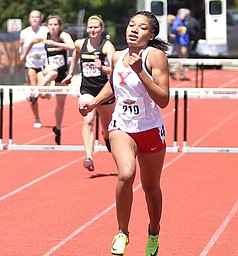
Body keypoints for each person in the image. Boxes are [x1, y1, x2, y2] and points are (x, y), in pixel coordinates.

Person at [79, 10, 169, 256]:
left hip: (150, 128)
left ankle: (153, 231)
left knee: (151, 187)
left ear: (151, 34)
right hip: (122, 126)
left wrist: (141, 71)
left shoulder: (155, 56)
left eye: (141, 27)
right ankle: (122, 232)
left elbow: (163, 100)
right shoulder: (119, 55)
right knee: (126, 173)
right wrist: (95, 102)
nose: (133, 29)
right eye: (131, 24)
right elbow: (113, 85)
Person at [61, 15, 115, 171]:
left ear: (102, 29)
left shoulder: (107, 47)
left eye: (96, 27)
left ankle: (106, 137)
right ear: (86, 29)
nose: (93, 30)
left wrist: (102, 68)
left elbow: (115, 70)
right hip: (87, 89)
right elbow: (75, 55)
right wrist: (70, 74)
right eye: (90, 27)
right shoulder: (80, 43)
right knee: (88, 121)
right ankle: (89, 157)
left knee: (107, 128)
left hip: (104, 91)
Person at [22, 14, 75, 144]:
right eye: (50, 25)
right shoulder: (44, 36)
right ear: (47, 26)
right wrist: (24, 55)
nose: (53, 27)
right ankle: (37, 92)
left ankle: (57, 127)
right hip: (48, 68)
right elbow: (32, 42)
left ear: (59, 26)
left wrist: (55, 43)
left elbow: (72, 46)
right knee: (52, 72)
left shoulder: (63, 35)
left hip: (63, 72)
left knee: (60, 104)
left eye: (55, 25)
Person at [19, 10, 49, 128]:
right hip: (30, 64)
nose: (35, 19)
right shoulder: (24, 32)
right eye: (32, 17)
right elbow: (21, 54)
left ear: (41, 19)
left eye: (37, 17)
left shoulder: (45, 31)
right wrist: (21, 46)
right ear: (29, 18)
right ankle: (37, 118)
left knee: (41, 93)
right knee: (33, 94)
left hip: (43, 65)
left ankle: (45, 93)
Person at [170, 8, 191, 81]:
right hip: (181, 42)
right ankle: (173, 70)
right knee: (183, 59)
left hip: (184, 41)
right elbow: (174, 28)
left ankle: (182, 75)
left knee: (183, 59)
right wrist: (180, 29)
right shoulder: (177, 20)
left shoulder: (182, 21)